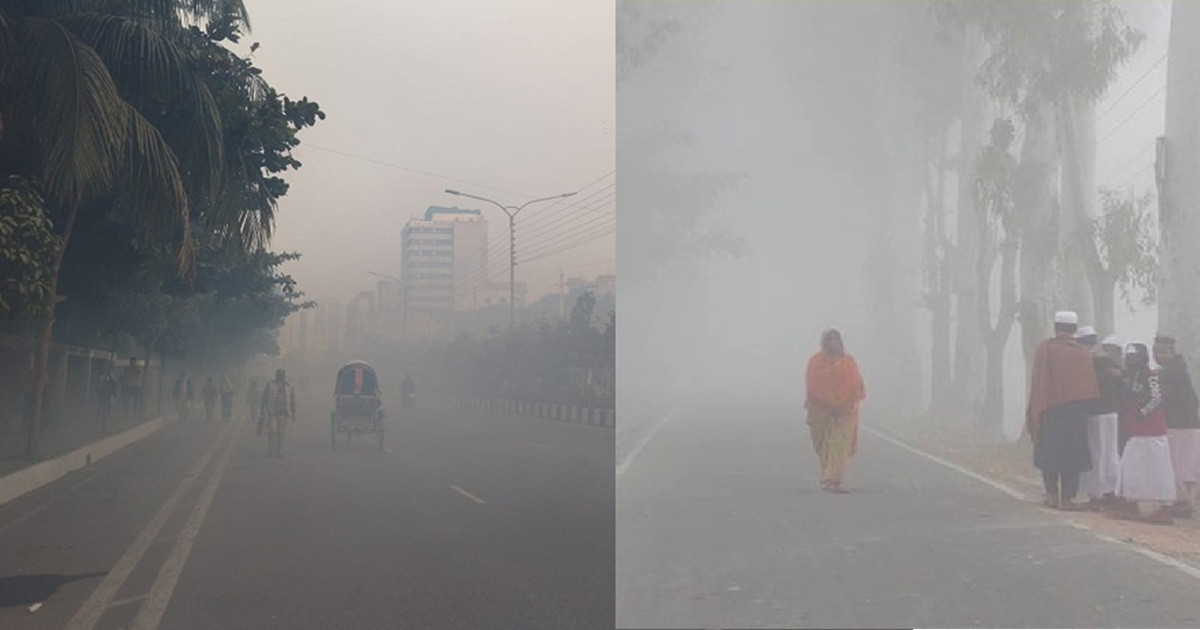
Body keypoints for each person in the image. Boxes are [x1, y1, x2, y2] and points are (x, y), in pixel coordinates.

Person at [1026, 310, 1099, 511]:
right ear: (1074, 329)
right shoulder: (1082, 353)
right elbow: (1090, 388)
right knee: (1072, 457)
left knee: (1048, 454)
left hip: (1049, 409)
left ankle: (1050, 495)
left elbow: (1038, 382)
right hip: (1075, 413)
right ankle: (1067, 499)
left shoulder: (1045, 349)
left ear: (1056, 327)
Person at [1113, 343, 1176, 524]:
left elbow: (1157, 398)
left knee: (1159, 468)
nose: (1131, 360)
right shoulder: (1129, 377)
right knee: (1131, 466)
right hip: (1135, 430)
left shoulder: (1151, 376)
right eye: (1129, 357)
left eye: (1134, 356)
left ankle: (1165, 508)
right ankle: (1131, 502)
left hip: (1153, 430)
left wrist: (1143, 413)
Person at [805, 329, 866, 494]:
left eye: (836, 340)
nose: (833, 343)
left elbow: (856, 385)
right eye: (830, 340)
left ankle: (834, 479)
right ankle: (828, 475)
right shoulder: (816, 362)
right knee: (823, 444)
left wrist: (842, 405)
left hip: (845, 411)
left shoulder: (849, 362)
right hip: (821, 410)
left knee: (838, 445)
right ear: (824, 343)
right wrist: (827, 404)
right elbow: (812, 386)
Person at [1153, 335, 1200, 518]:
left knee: (1177, 464)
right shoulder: (1178, 370)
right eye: (1156, 351)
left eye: (1163, 352)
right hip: (1188, 424)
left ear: (1173, 353)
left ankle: (1182, 502)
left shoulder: (1171, 373)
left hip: (1179, 425)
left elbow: (1163, 398)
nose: (1159, 355)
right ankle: (1187, 500)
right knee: (1187, 464)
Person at [1078, 329, 1123, 508]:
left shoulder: (1091, 363)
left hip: (1096, 413)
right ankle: (1112, 491)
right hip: (1111, 413)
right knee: (1109, 452)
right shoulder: (1112, 366)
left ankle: (1098, 493)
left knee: (1097, 453)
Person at [260, 369, 296, 458]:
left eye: (281, 376)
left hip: (284, 413)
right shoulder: (270, 385)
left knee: (281, 433)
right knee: (272, 431)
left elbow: (292, 400)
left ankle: (279, 451)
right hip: (272, 412)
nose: (280, 378)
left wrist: (293, 411)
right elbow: (264, 397)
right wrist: (262, 410)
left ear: (284, 377)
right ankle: (271, 449)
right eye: (279, 376)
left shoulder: (289, 386)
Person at [98, 367, 118, 432]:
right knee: (103, 412)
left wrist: (114, 397)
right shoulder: (101, 381)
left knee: (107, 412)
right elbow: (99, 391)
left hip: (109, 398)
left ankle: (105, 426)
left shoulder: (112, 382)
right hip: (103, 399)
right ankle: (103, 426)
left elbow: (114, 391)